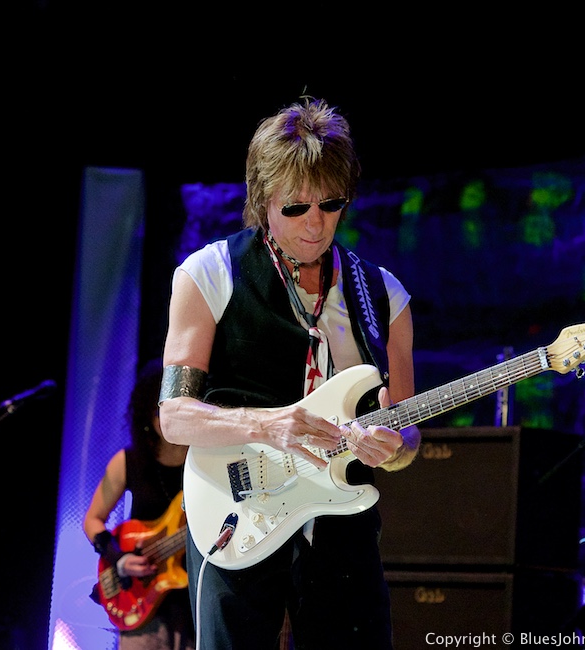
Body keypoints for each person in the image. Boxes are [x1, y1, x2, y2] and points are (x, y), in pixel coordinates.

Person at [158, 97, 421, 649]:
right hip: (236, 513)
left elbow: (407, 430)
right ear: (263, 200)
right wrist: (268, 425)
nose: (316, 224)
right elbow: (175, 417)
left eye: (331, 204)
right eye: (296, 207)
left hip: (342, 523)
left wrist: (395, 448)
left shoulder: (385, 295)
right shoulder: (209, 273)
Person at [84, 358, 196, 650]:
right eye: (160, 408)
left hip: (195, 599)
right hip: (143, 606)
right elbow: (92, 519)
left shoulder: (207, 459)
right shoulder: (127, 461)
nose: (167, 417)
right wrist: (119, 558)